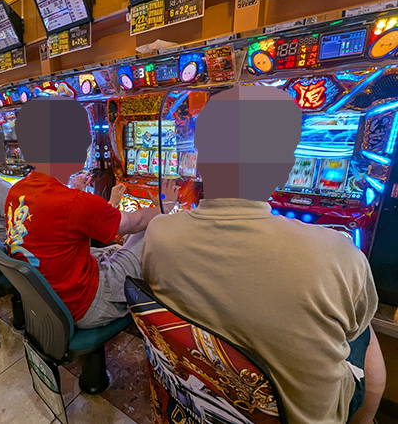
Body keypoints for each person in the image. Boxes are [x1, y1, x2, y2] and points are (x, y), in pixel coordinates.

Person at [141, 86, 385, 424]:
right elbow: (355, 324)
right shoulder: (339, 255)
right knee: (365, 334)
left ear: (200, 160)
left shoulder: (158, 233)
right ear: (286, 168)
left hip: (192, 398)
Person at [4, 96, 179, 329]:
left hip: (50, 301)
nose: (88, 142)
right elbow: (136, 221)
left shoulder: (16, 190)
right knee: (150, 229)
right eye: (82, 135)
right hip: (85, 305)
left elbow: (55, 222)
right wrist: (166, 204)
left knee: (116, 247)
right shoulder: (74, 202)